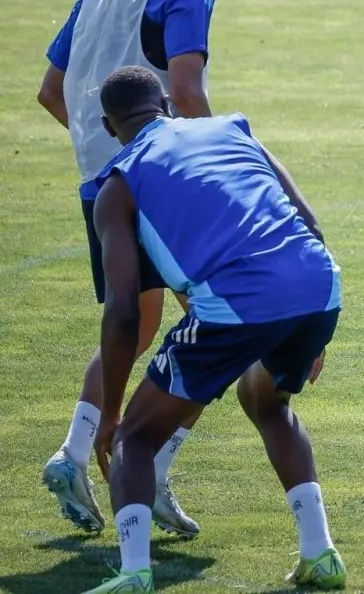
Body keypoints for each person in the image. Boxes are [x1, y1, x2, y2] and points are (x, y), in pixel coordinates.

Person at [84, 66, 346, 593]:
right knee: (268, 403)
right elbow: (310, 222)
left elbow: (123, 312)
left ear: (110, 127)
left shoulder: (117, 185)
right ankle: (320, 553)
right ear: (165, 102)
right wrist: (312, 331)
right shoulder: (231, 127)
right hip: (319, 285)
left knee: (135, 437)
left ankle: (134, 571)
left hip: (236, 302)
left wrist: (110, 414)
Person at [35, 0, 231, 540]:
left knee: (133, 327)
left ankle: (73, 452)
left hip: (102, 187)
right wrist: (214, 170)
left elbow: (52, 90)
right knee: (228, 322)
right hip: (164, 185)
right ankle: (154, 466)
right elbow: (187, 90)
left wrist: (105, 152)